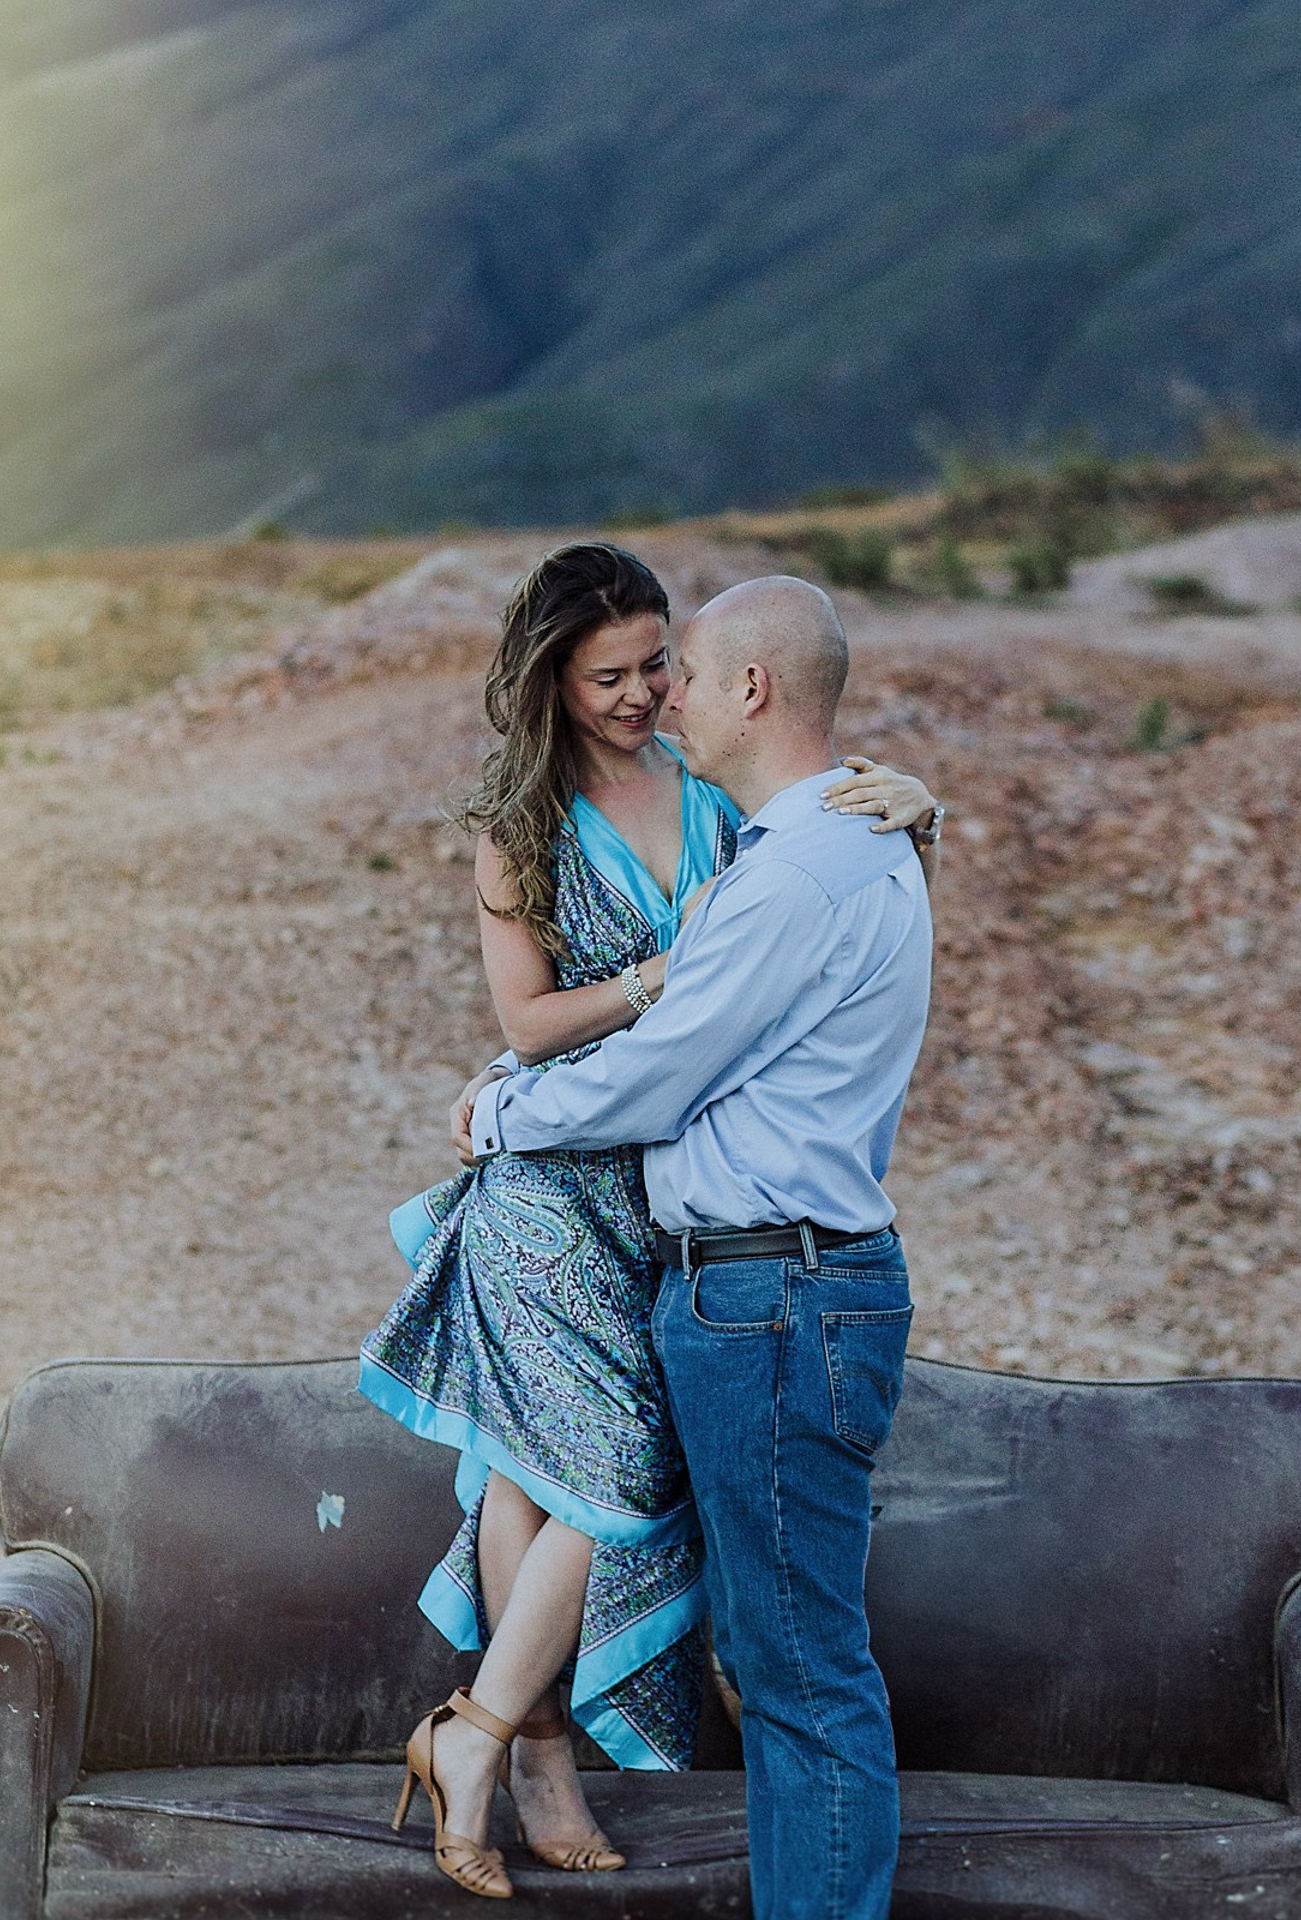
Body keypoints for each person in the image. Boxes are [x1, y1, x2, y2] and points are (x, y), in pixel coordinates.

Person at [358, 544, 941, 1900]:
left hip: (694, 1207)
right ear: (554, 684)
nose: (646, 696)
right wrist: (653, 985)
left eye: (660, 668)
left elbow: (805, 869)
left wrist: (922, 807)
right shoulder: (529, 821)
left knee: (633, 1502)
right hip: (563, 1187)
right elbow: (534, 1027)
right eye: (611, 677)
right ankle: (526, 1746)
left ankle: (485, 1733)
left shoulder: (770, 817)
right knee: (540, 1472)